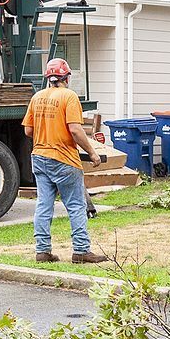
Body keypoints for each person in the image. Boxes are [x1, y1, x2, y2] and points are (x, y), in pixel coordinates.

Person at [22, 58, 109, 264]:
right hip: (64, 160)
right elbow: (76, 130)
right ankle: (81, 251)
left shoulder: (37, 97)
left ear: (49, 78)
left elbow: (28, 130)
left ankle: (42, 251)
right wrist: (93, 153)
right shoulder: (69, 97)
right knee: (76, 206)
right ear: (66, 77)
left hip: (40, 158)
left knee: (44, 205)